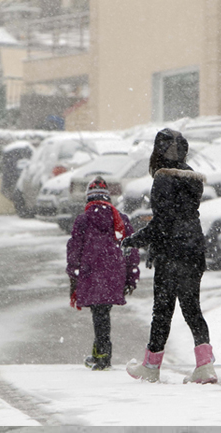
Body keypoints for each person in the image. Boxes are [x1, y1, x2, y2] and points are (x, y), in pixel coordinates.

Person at [122, 128, 217, 384]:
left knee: (162, 311)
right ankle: (205, 366)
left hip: (171, 254)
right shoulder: (193, 178)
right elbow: (182, 217)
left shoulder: (163, 178)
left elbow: (163, 222)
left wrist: (135, 240)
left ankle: (151, 366)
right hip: (193, 250)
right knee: (192, 309)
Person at [67, 176, 140, 371]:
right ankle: (100, 353)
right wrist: (131, 277)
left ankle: (102, 355)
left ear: (88, 198)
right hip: (114, 274)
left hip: (90, 273)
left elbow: (74, 250)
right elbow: (131, 250)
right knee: (103, 312)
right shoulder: (120, 219)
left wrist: (73, 275)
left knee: (99, 313)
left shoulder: (83, 220)